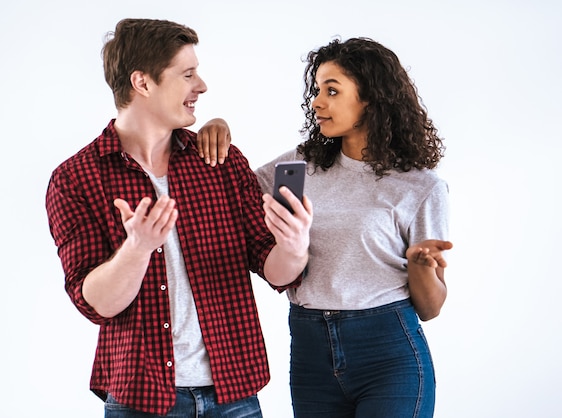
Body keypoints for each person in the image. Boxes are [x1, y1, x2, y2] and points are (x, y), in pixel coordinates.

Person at [45, 18, 312, 417]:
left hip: (233, 394)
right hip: (142, 398)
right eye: (187, 74)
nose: (201, 86)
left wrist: (294, 245)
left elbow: (277, 271)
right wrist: (136, 251)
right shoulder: (75, 179)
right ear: (143, 83)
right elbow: (94, 302)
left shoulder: (219, 161)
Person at [199, 37, 453, 417]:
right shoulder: (299, 167)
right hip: (309, 351)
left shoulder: (420, 186)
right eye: (317, 90)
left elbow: (430, 308)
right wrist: (217, 126)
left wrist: (419, 266)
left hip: (388, 352)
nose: (317, 102)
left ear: (371, 98)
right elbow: (225, 191)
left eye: (332, 91)